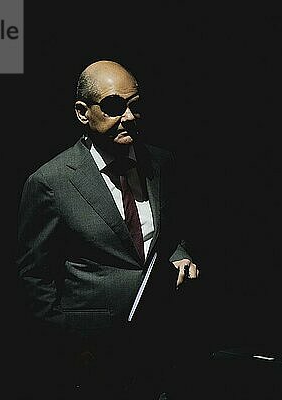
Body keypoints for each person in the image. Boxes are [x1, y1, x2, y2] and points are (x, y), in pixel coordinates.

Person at [16, 60, 200, 399]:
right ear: (83, 112)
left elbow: (172, 232)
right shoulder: (50, 182)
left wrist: (181, 255)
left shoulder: (161, 163)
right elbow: (34, 276)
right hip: (93, 351)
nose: (128, 117)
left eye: (135, 106)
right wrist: (69, 342)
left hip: (163, 335)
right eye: (115, 106)